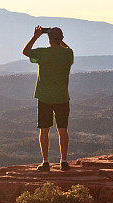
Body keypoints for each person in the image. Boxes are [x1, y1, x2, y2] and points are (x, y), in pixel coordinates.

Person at [22, 25, 74, 171]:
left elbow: (25, 51)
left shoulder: (43, 53)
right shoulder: (68, 54)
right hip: (62, 97)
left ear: (49, 39)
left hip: (44, 96)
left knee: (44, 130)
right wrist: (58, 40)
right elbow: (67, 49)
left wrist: (36, 36)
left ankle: (45, 162)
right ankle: (63, 161)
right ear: (62, 39)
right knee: (62, 129)